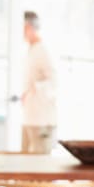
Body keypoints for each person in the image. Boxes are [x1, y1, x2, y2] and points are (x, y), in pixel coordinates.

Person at [22, 10, 58, 154]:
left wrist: (34, 90)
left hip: (42, 118)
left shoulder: (43, 50)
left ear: (28, 28)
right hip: (30, 117)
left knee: (40, 162)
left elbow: (54, 81)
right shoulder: (30, 50)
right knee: (25, 162)